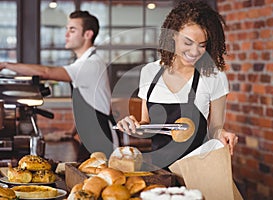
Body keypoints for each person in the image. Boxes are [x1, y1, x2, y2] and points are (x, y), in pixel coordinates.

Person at [116, 0, 238, 169]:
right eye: (187, 43)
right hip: (160, 171)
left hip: (198, 170)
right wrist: (133, 126)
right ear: (172, 35)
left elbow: (215, 129)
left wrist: (222, 133)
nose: (194, 52)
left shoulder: (214, 76)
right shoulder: (150, 72)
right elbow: (146, 123)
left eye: (202, 45)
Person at [0, 11, 114, 161]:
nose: (66, 34)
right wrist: (71, 132)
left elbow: (46, 72)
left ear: (88, 34)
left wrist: (6, 64)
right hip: (90, 137)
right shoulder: (83, 63)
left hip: (101, 138)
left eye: (72, 30)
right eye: (67, 29)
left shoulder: (91, 64)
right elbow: (88, 103)